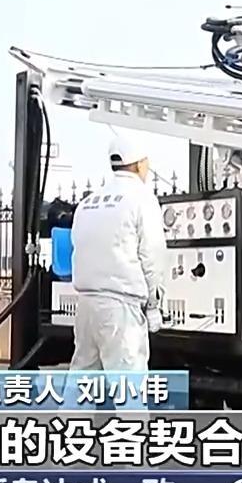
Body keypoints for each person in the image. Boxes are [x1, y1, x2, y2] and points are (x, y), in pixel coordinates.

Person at [68, 135, 167, 371]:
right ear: (140, 164)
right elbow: (152, 256)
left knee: (82, 378)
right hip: (120, 309)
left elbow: (77, 246)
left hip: (86, 306)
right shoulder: (142, 199)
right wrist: (153, 305)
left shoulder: (88, 203)